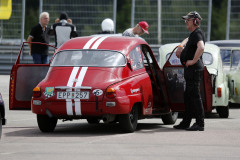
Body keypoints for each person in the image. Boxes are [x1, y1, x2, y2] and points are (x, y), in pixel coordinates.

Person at [174, 11, 205, 131]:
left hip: (194, 69)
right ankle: (186, 122)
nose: (186, 21)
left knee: (194, 96)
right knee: (188, 96)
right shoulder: (194, 34)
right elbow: (188, 39)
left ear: (195, 21)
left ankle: (200, 123)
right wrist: (181, 46)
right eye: (186, 19)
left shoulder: (197, 33)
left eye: (189, 19)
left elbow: (201, 47)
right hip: (191, 70)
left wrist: (192, 61)